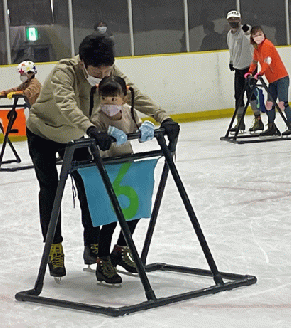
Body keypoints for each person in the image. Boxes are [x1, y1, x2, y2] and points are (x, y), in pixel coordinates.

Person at [26, 34, 180, 279]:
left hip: (79, 136)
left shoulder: (109, 71)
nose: (102, 76)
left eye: (107, 70)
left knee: (91, 187)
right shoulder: (63, 73)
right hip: (44, 132)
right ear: (82, 63)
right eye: (97, 71)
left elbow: (131, 93)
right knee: (51, 189)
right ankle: (54, 247)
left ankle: (94, 245)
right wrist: (91, 129)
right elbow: (67, 106)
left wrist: (163, 117)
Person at [88, 75, 155, 284]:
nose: (109, 104)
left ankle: (121, 248)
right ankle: (103, 259)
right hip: (107, 169)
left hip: (127, 167)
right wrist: (105, 134)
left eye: (113, 100)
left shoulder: (129, 112)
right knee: (110, 217)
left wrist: (146, 127)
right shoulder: (97, 117)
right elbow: (93, 135)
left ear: (123, 99)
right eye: (105, 100)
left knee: (134, 210)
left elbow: (136, 127)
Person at [244, 26, 291, 136]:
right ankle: (271, 126)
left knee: (282, 103)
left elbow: (267, 61)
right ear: (252, 38)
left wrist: (261, 73)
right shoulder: (257, 48)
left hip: (281, 78)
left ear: (264, 35)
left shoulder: (267, 45)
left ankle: (290, 124)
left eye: (260, 34)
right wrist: (250, 72)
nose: (258, 37)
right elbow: (254, 61)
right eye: (255, 35)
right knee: (269, 104)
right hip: (272, 81)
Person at [226, 10, 264, 133]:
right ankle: (240, 122)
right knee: (238, 96)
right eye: (231, 20)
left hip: (249, 68)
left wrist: (248, 31)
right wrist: (231, 61)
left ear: (240, 20)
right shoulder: (229, 34)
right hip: (238, 68)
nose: (233, 22)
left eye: (235, 20)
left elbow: (250, 37)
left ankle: (258, 120)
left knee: (251, 95)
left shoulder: (245, 32)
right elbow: (232, 49)